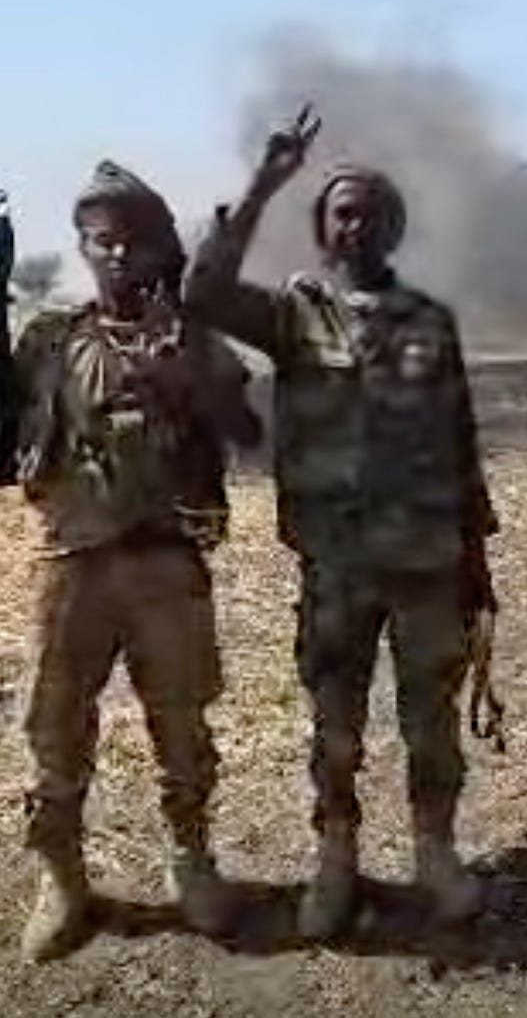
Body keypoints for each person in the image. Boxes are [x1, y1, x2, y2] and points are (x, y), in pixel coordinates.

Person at [185, 111, 499, 939]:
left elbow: (460, 440)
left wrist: (476, 559)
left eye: (368, 213)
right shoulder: (295, 313)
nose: (354, 225)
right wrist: (264, 184)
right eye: (340, 213)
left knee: (431, 720)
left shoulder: (429, 320)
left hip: (426, 560)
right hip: (336, 561)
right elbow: (203, 292)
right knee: (335, 724)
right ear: (323, 229)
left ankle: (435, 851)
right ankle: (336, 858)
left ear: (391, 227)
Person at [10, 164, 260, 962]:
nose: (117, 254)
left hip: (166, 567)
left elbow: (248, 431)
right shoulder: (49, 340)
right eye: (101, 240)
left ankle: (193, 862)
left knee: (182, 725)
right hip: (71, 566)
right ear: (82, 249)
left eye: (132, 240)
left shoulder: (190, 336)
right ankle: (63, 879)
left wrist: (187, 387)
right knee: (52, 729)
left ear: (158, 249)